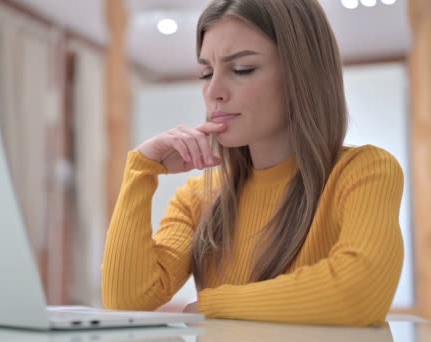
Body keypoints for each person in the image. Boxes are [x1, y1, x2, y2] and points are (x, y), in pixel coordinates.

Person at [101, 0, 404, 326]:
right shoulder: (197, 198)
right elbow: (126, 300)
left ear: (302, 74)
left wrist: (210, 305)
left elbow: (358, 294)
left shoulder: (365, 171)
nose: (213, 91)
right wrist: (142, 169)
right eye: (206, 72)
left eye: (242, 69)